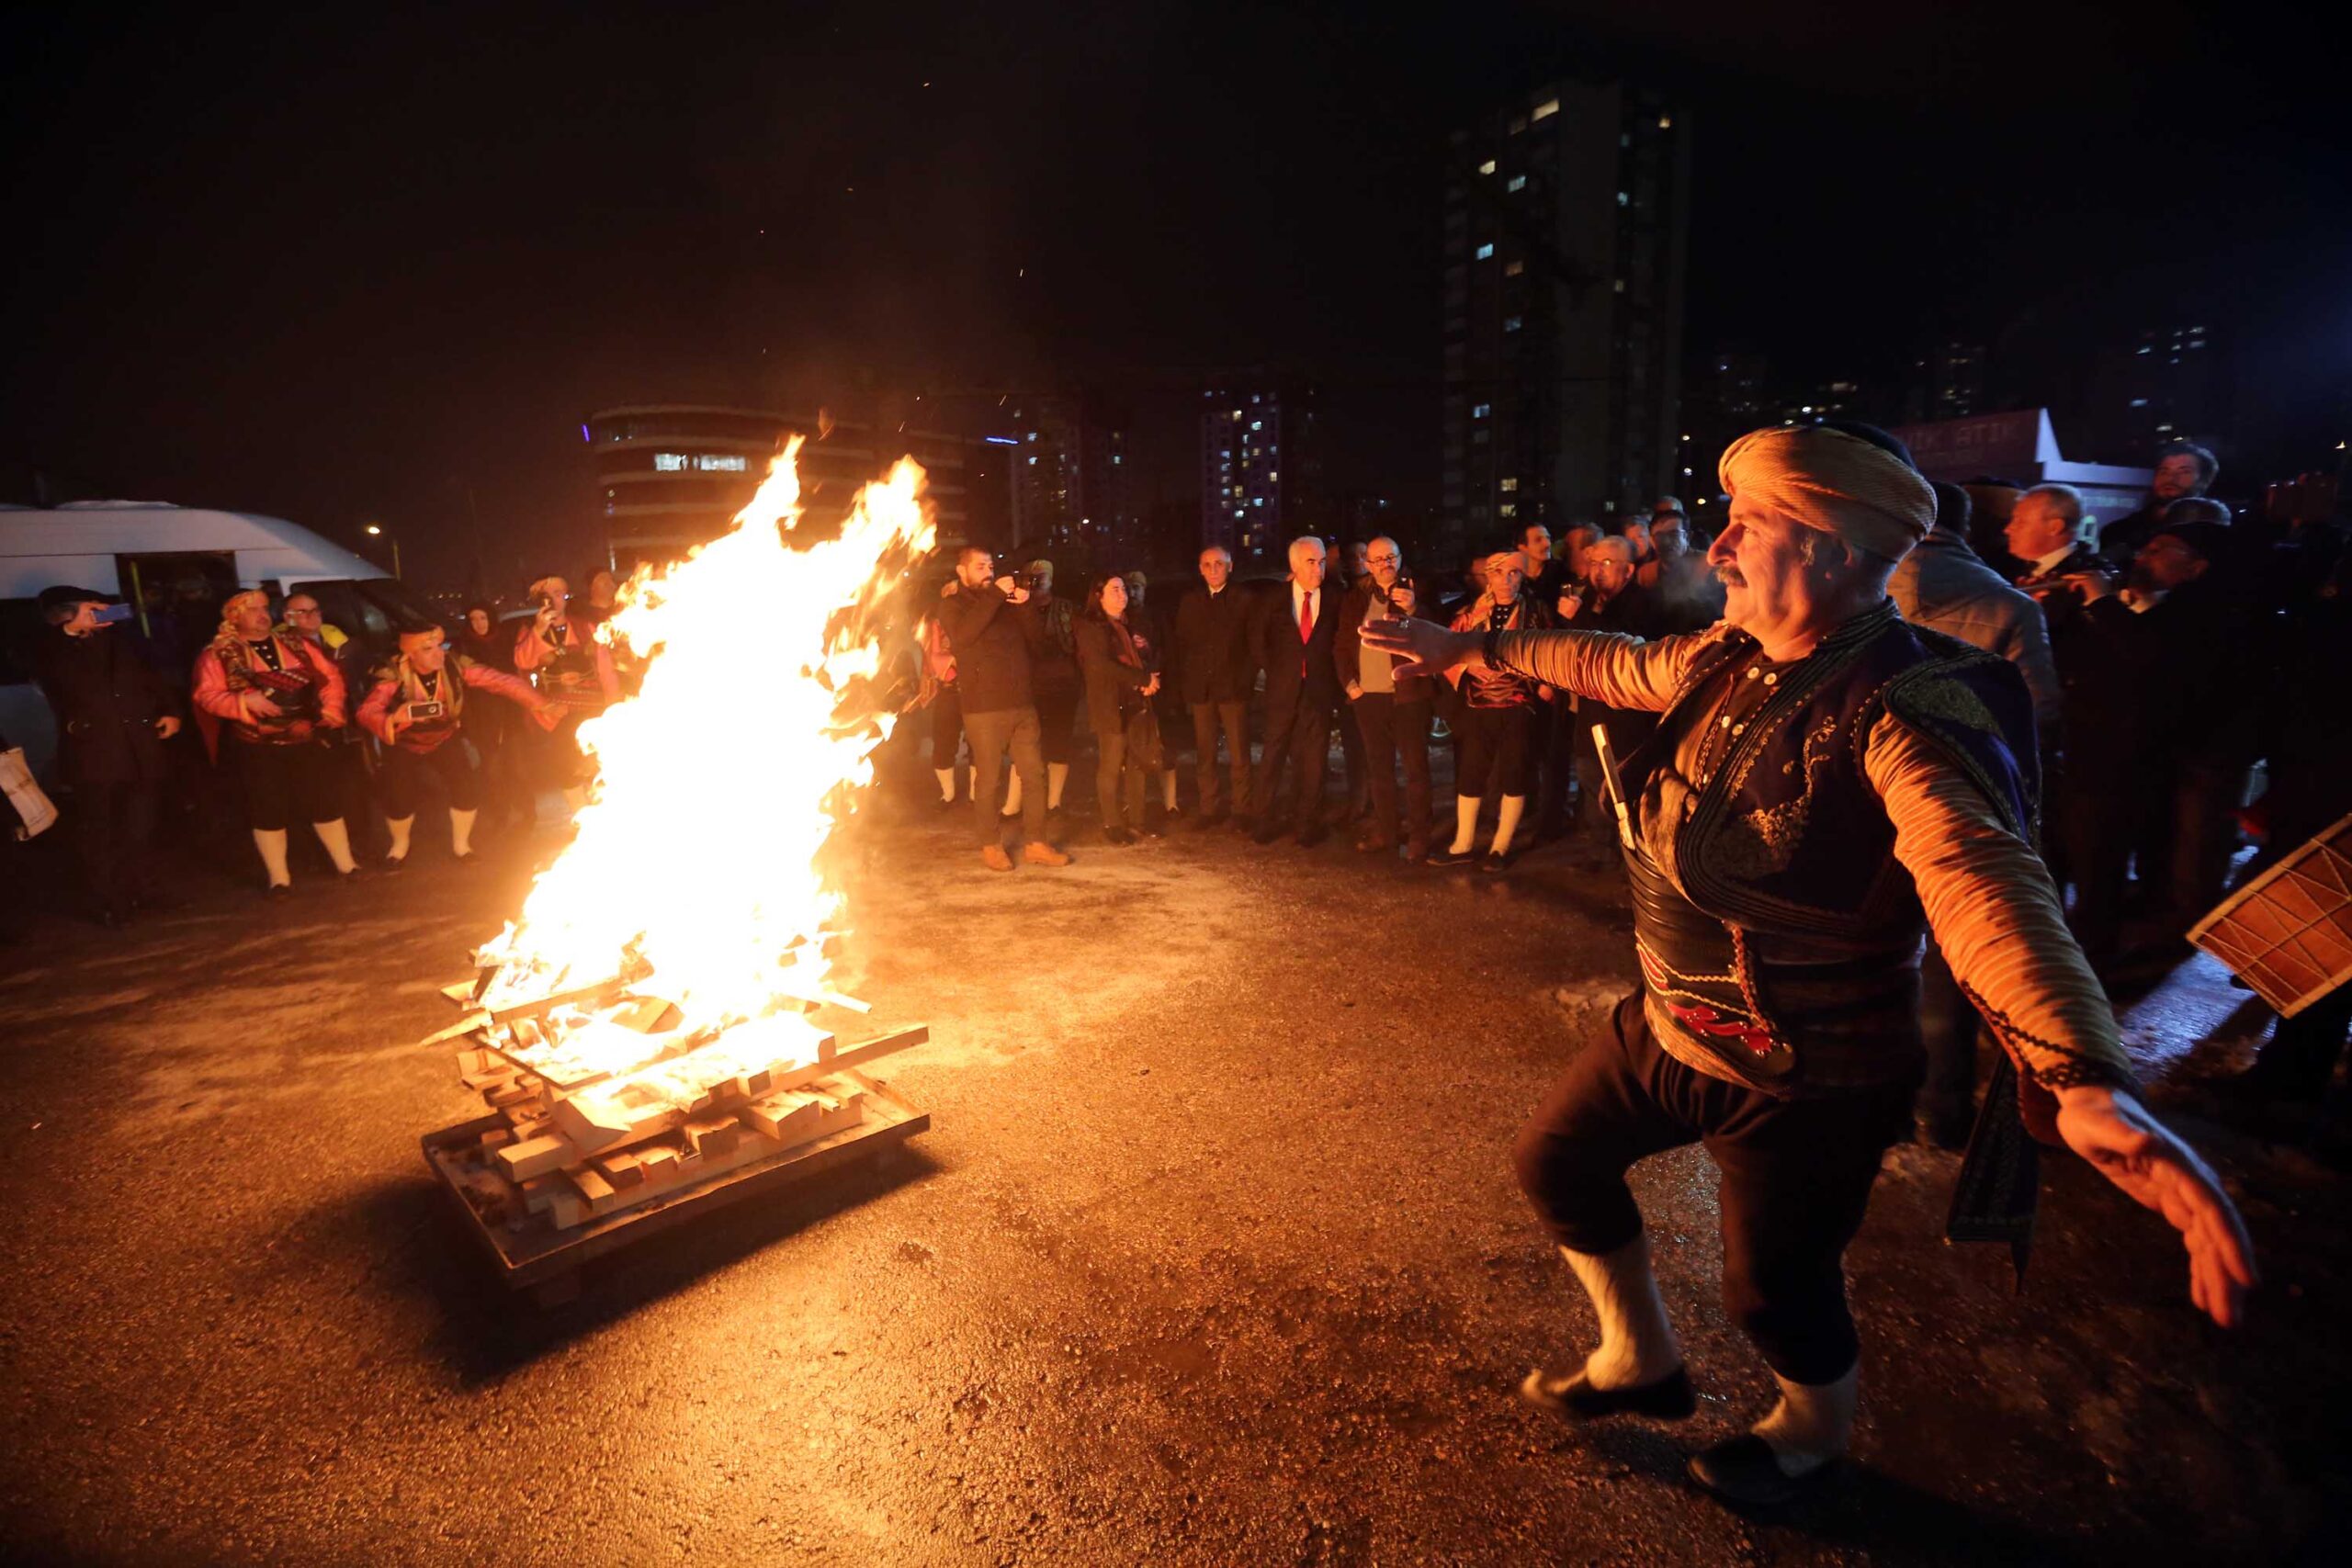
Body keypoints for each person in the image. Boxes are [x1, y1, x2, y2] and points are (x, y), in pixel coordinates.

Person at [1362, 422, 2254, 1507]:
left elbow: (1979, 877)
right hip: (1667, 1025)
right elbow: (1610, 663)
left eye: (1751, 523)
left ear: (1832, 550)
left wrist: (2078, 1075)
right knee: (1558, 1164)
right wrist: (1474, 650)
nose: (1719, 544)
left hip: (1812, 1075)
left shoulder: (1902, 706)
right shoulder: (1725, 656)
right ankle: (1638, 1359)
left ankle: (1810, 1432)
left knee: (1773, 1292)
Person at [1889, 482, 2064, 1146]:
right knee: (1949, 955)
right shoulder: (2010, 604)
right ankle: (1942, 1105)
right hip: (1963, 802)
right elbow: (2036, 709)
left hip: (1866, 796)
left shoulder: (1857, 588)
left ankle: (1867, 1094)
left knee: (1867, 945)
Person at [29, 586, 183, 925]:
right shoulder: (53, 648)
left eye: (101, 608)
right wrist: (72, 630)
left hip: (138, 749)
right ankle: (108, 900)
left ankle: (142, 889)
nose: (100, 614)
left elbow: (151, 677)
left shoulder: (121, 642)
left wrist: (170, 711)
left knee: (140, 826)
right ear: (67, 615)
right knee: (100, 831)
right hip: (94, 755)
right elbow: (50, 672)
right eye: (90, 609)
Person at [191, 589, 360, 892]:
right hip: (258, 746)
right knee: (268, 810)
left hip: (306, 737)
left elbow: (331, 677)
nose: (262, 614)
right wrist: (246, 703)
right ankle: (279, 879)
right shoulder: (218, 653)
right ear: (234, 616)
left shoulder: (297, 643)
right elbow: (207, 695)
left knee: (325, 802)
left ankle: (346, 865)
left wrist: (330, 712)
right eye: (252, 609)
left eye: (265, 607)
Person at [357, 623, 556, 866]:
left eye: (439, 646)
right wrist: (393, 718)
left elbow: (499, 680)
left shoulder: (454, 664)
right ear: (411, 654)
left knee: (466, 788)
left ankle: (462, 846)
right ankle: (399, 847)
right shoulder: (392, 673)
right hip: (403, 744)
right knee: (399, 797)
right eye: (428, 649)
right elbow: (367, 711)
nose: (439, 653)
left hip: (444, 738)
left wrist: (539, 702)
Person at [935, 547, 1069, 871]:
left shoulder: (1007, 606)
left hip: (1022, 704)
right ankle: (991, 844)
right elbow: (964, 637)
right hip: (983, 708)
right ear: (962, 571)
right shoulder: (953, 605)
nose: (988, 572)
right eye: (980, 566)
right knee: (989, 779)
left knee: (1034, 775)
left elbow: (1038, 644)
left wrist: (1024, 608)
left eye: (991, 566)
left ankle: (1037, 843)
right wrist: (995, 596)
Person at [1433, 551, 1553, 871]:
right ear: (1489, 576)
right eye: (1501, 573)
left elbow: (1552, 650)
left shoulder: (1537, 613)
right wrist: (1470, 668)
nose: (1508, 579)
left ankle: (1500, 847)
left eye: (1515, 573)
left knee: (1514, 773)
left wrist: (1545, 681)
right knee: (1471, 773)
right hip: (1478, 705)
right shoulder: (1470, 613)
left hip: (1518, 705)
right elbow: (1448, 650)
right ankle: (1464, 843)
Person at [1334, 536, 1434, 860]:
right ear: (1368, 564)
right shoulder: (1355, 598)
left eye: (1390, 557)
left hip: (1408, 697)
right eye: (1377, 559)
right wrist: (1352, 686)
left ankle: (1419, 837)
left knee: (1416, 769)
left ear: (1400, 558)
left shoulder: (1417, 591)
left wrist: (1414, 608)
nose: (1384, 564)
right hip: (1369, 698)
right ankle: (1388, 832)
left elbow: (1440, 634)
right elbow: (1342, 646)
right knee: (1380, 770)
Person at [1248, 536, 1343, 847]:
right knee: (1273, 754)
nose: (1318, 568)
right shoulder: (1274, 598)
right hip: (1282, 691)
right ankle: (1263, 819)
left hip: (1318, 691)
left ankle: (1306, 822)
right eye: (1311, 562)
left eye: (1322, 562)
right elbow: (1257, 638)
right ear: (1294, 565)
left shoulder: (1334, 597)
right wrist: (1275, 672)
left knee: (1314, 759)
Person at [511, 575, 620, 816]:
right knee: (565, 766)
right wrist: (539, 631)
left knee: (598, 761)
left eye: (560, 593)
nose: (556, 599)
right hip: (555, 711)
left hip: (592, 706)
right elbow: (522, 661)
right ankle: (582, 818)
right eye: (549, 595)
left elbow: (605, 667)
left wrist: (614, 707)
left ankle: (607, 811)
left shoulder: (585, 627)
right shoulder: (529, 632)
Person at [1074, 573, 1165, 844]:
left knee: (1137, 763)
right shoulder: (1089, 626)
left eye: (1123, 589)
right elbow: (1101, 665)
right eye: (1114, 590)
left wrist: (1147, 680)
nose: (1122, 594)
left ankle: (1136, 822)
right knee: (1111, 764)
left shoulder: (1128, 624)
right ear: (1098, 596)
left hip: (1135, 700)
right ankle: (1112, 824)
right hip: (1110, 703)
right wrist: (1143, 680)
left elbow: (1141, 657)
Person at [1173, 546, 1256, 829]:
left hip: (1233, 688)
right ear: (1200, 569)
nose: (1213, 570)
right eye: (1206, 564)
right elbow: (1183, 644)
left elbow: (1252, 645)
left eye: (1218, 564)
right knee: (1205, 752)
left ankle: (1242, 810)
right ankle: (1210, 808)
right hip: (1202, 689)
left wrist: (1245, 679)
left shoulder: (1244, 599)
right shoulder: (1191, 601)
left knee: (1238, 752)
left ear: (1230, 566)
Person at [1123, 569, 1182, 821]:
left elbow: (1169, 648)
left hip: (1160, 691)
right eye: (1129, 587)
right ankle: (1132, 803)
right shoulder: (1119, 620)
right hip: (1131, 693)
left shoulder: (1157, 617)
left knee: (1165, 745)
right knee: (1132, 749)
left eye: (1138, 587)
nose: (1133, 592)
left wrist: (1153, 671)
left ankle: (1171, 803)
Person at [2100, 441, 2219, 564]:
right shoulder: (2118, 532)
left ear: (2205, 480)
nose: (2170, 479)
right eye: (2164, 471)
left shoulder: (2216, 535)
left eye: (2184, 471)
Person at [1024, 560, 1079, 823]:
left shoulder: (1066, 608)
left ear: (1051, 578)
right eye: (1033, 576)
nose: (1037, 579)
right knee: (1032, 745)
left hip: (1063, 683)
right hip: (1032, 685)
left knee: (1060, 742)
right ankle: (1027, 801)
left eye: (1042, 575)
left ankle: (1054, 802)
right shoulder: (1021, 608)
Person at [919, 579, 970, 811]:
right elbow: (933, 658)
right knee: (944, 741)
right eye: (949, 593)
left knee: (980, 743)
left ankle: (977, 793)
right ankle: (948, 794)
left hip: (976, 690)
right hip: (948, 691)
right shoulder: (934, 626)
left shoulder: (974, 621)